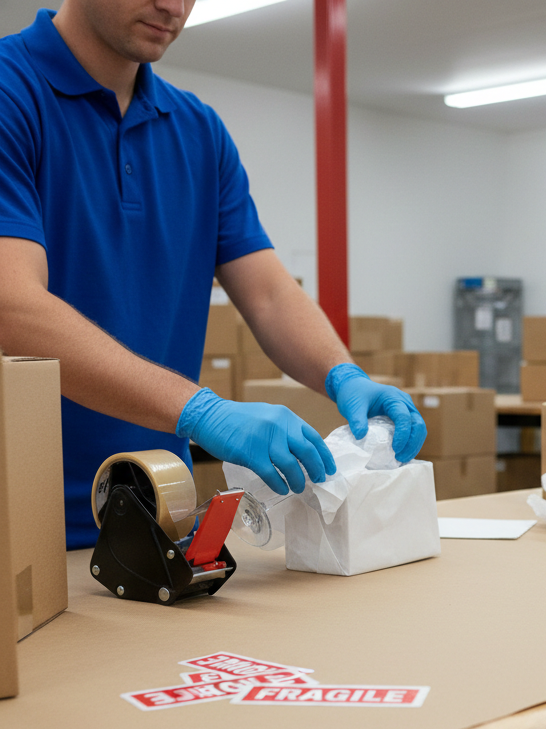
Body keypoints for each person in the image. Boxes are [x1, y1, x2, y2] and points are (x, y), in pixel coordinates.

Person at [0, 0, 426, 549]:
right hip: (20, 527)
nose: (173, 6)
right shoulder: (11, 90)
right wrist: (198, 409)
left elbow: (270, 294)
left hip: (155, 518)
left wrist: (343, 375)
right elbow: (12, 306)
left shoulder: (198, 131)